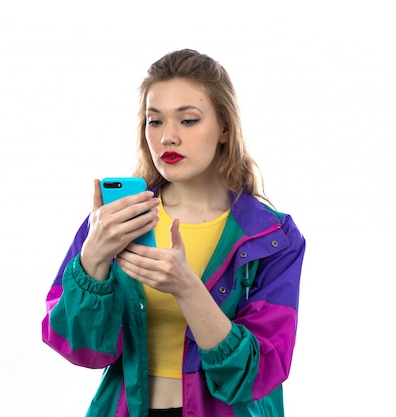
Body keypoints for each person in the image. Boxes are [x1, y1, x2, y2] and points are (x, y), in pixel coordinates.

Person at [41, 49, 306, 417]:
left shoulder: (273, 237)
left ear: (225, 128)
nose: (167, 137)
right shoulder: (114, 220)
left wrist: (186, 287)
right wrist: (93, 261)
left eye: (188, 120)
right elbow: (80, 348)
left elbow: (259, 371)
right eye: (155, 121)